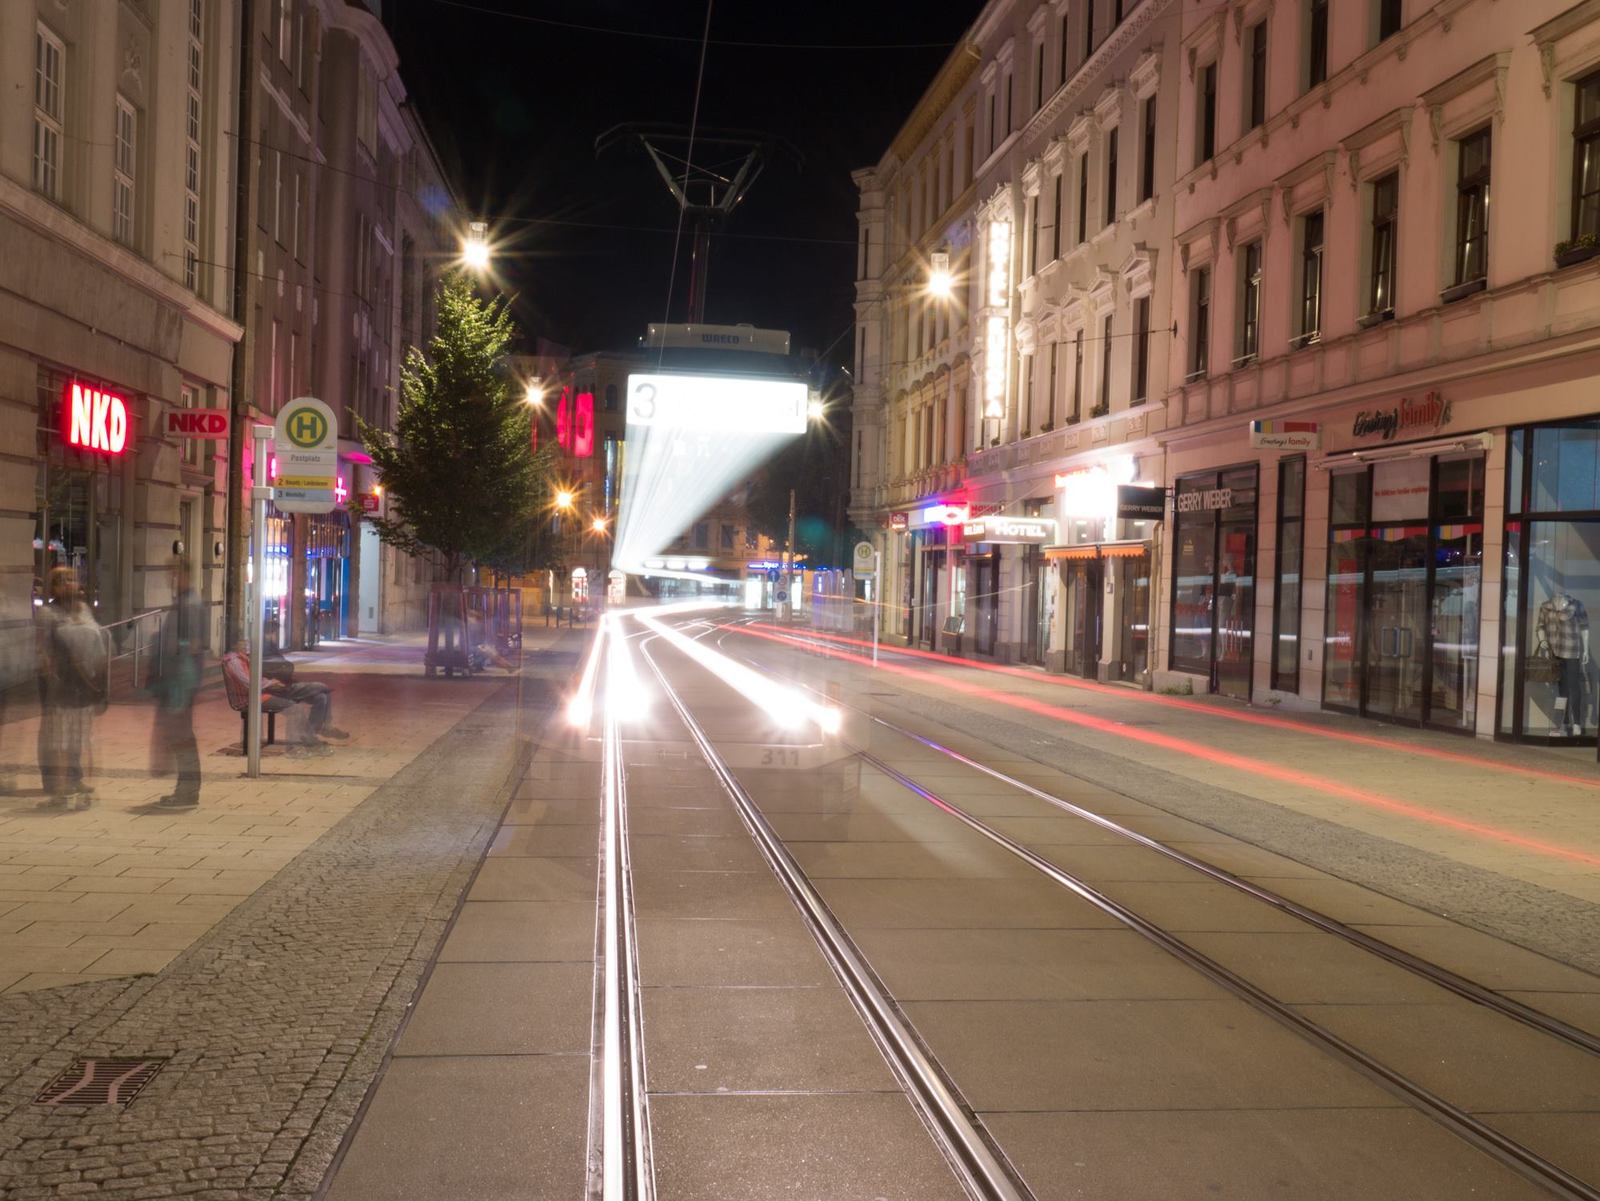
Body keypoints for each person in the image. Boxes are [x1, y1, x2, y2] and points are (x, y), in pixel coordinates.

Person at [36, 568, 105, 810]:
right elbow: (43, 649)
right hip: (62, 685)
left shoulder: (84, 610)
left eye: (72, 579)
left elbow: (98, 640)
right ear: (52, 587)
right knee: (59, 740)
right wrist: (50, 676)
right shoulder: (48, 613)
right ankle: (59, 787)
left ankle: (74, 780)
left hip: (84, 685)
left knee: (79, 738)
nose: (68, 584)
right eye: (61, 581)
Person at [150, 561, 205, 809]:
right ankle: (186, 788)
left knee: (181, 735)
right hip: (181, 679)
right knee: (180, 734)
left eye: (172, 573)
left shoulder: (189, 605)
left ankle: (187, 790)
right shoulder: (185, 602)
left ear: (183, 574)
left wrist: (173, 670)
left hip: (181, 680)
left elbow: (191, 644)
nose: (169, 578)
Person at [225, 645, 349, 756]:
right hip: (260, 695)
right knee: (296, 707)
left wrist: (274, 680)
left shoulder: (244, 657)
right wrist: (270, 683)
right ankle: (296, 746)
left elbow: (261, 674)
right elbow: (249, 682)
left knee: (321, 696)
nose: (247, 643)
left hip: (270, 689)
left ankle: (309, 735)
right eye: (243, 641)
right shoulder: (234, 661)